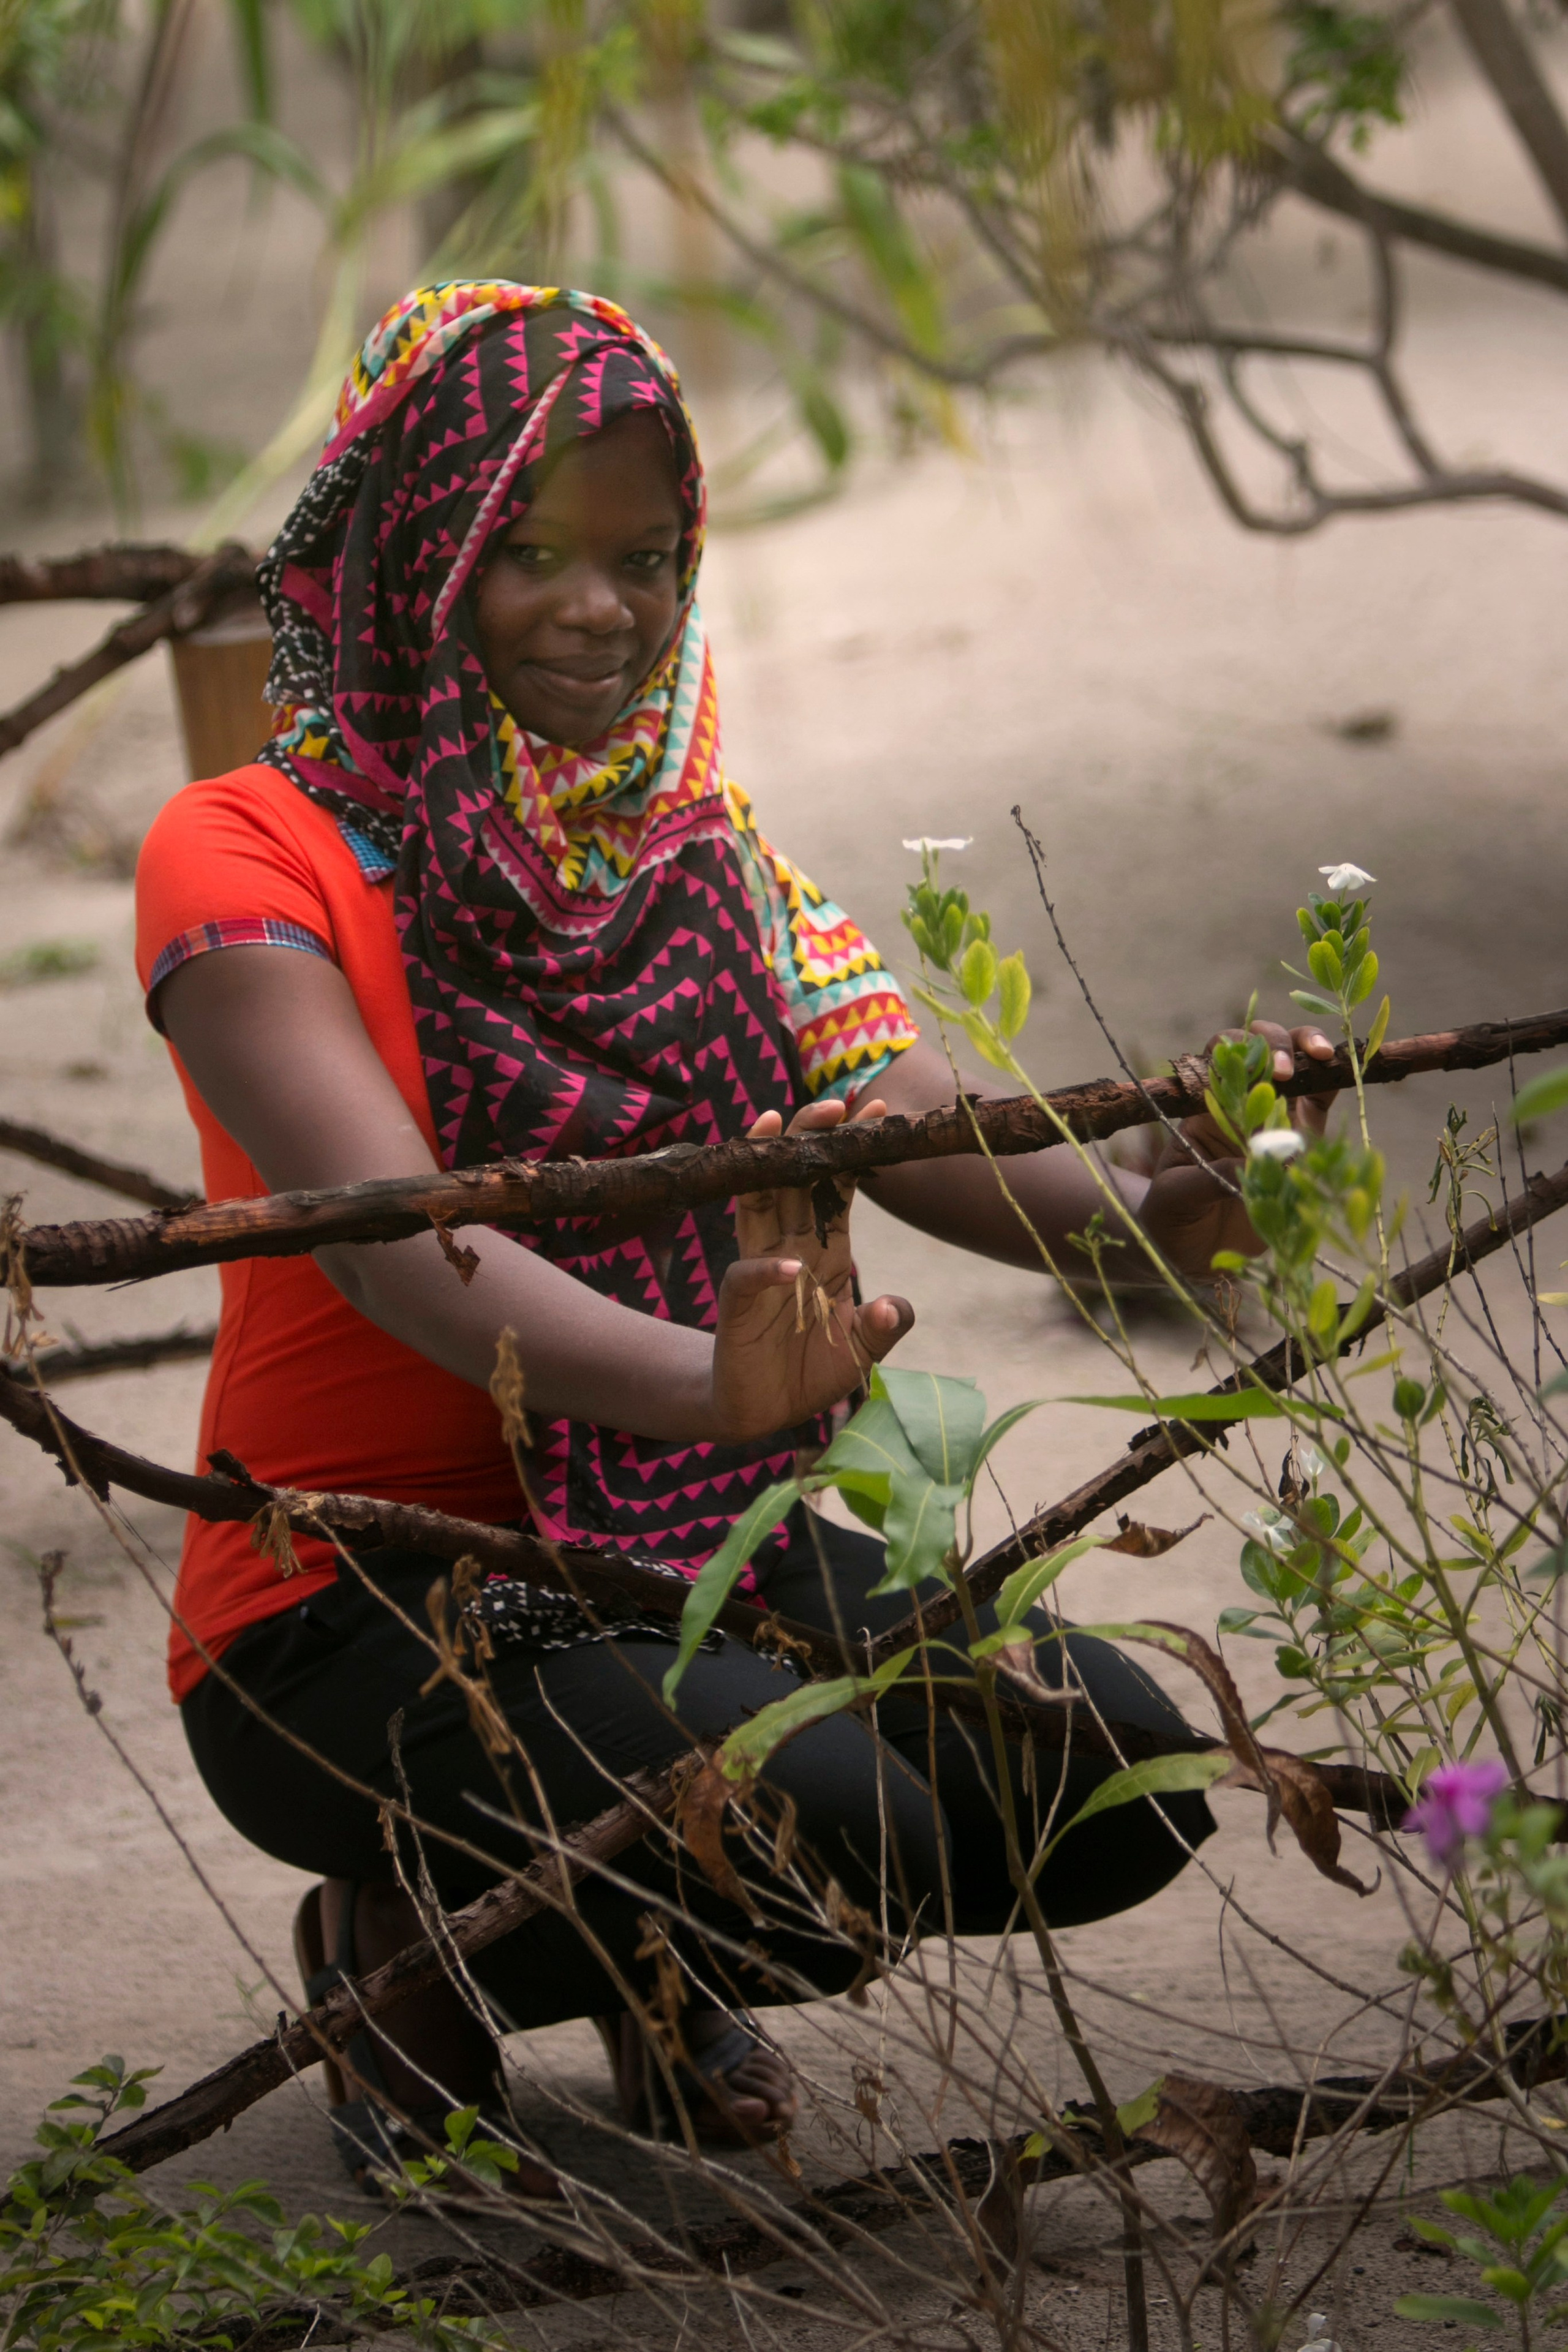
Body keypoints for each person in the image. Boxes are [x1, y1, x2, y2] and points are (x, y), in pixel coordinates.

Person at [136, 281, 1333, 2190]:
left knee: (1111, 1777)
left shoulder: (693, 855)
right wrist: (706, 1386)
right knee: (845, 1817)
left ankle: (640, 1952)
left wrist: (1181, 1190)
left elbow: (940, 1143)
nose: (600, 606)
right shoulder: (250, 849)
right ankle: (399, 1952)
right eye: (525, 550)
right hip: (347, 1598)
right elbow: (388, 1244)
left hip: (665, 1533)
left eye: (647, 554)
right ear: (411, 546)